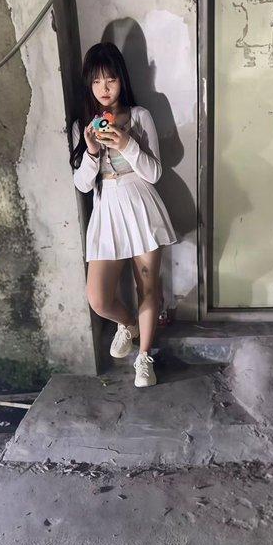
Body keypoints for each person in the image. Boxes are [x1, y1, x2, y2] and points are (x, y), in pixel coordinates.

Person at [70, 42, 177, 386]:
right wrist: (91, 151)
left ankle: (144, 357)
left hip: (140, 203)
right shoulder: (83, 125)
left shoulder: (140, 115)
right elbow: (82, 184)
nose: (104, 88)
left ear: (122, 80)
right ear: (89, 84)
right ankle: (128, 324)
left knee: (148, 287)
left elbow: (155, 173)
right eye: (96, 81)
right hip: (106, 210)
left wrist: (126, 144)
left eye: (111, 80)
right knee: (99, 298)